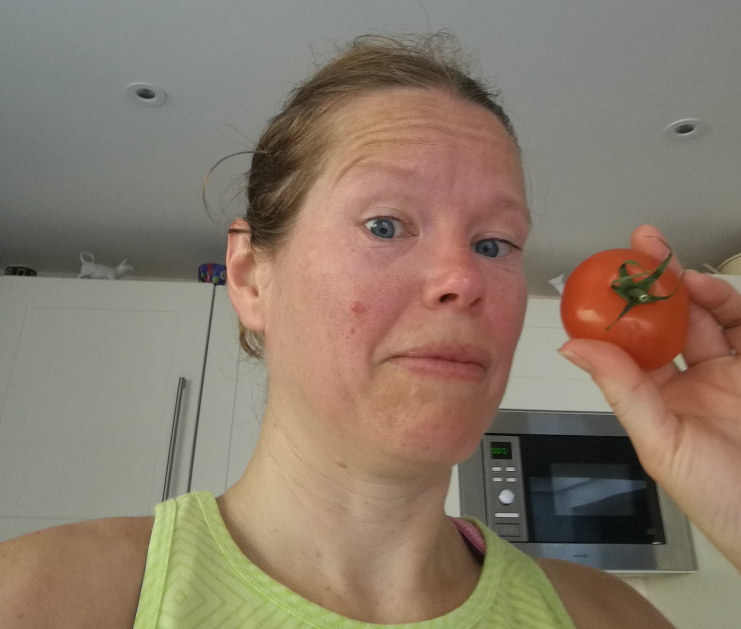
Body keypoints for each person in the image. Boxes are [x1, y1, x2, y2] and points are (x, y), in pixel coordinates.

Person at [1, 33, 740, 629]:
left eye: (494, 243)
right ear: (252, 275)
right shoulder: (45, 598)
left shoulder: (608, 618)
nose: (463, 277)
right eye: (385, 224)